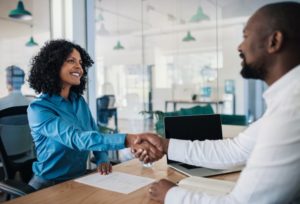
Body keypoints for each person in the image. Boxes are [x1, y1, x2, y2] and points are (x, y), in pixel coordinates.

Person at [133, 2, 300, 203]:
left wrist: (171, 194)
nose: (240, 46)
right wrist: (165, 144)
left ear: (275, 41)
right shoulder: (288, 102)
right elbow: (235, 150)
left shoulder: (292, 109)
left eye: (246, 36)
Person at [27, 39, 160, 190]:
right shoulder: (39, 109)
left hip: (79, 178)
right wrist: (127, 139)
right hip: (48, 184)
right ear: (53, 66)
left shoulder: (78, 101)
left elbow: (93, 132)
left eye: (80, 62)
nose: (79, 67)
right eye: (71, 61)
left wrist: (101, 158)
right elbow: (76, 138)